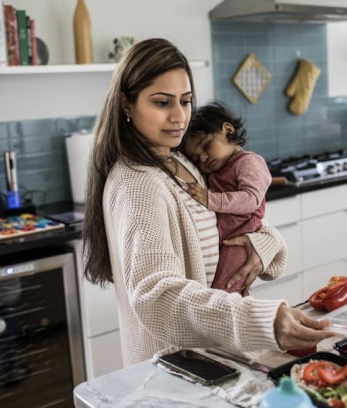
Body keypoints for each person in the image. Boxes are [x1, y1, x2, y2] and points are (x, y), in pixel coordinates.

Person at [82, 38, 333, 366]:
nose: (179, 117)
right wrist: (257, 320)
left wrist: (262, 246)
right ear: (127, 105)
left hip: (207, 359)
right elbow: (157, 296)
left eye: (185, 101)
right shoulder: (138, 185)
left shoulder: (181, 161)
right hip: (169, 371)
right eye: (161, 103)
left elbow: (241, 224)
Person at [181, 102, 271, 295]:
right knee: (221, 290)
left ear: (227, 130)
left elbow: (251, 200)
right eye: (197, 159)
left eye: (206, 146)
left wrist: (210, 199)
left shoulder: (249, 162)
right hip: (227, 240)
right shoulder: (217, 170)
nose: (204, 159)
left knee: (223, 290)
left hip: (241, 239)